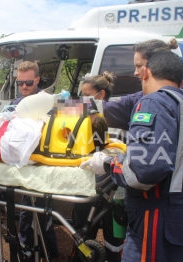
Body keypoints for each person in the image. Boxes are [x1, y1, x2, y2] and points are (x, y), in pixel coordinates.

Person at [95, 38, 183, 259]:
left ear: (152, 67)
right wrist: (64, 104)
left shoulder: (158, 101)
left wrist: (108, 164)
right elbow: (106, 109)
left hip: (162, 219)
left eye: (138, 66)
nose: (135, 73)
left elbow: (143, 172)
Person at [70, 72, 124, 262]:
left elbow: (125, 151)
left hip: (114, 191)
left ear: (100, 95)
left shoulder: (117, 114)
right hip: (89, 187)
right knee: (82, 236)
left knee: (115, 241)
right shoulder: (81, 116)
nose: (81, 99)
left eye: (86, 95)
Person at [11, 61, 59, 259]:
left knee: (43, 212)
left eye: (28, 83)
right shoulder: (15, 104)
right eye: (19, 83)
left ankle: (48, 250)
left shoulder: (50, 101)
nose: (23, 87)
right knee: (27, 209)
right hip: (23, 163)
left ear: (37, 80)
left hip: (43, 164)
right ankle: (30, 248)